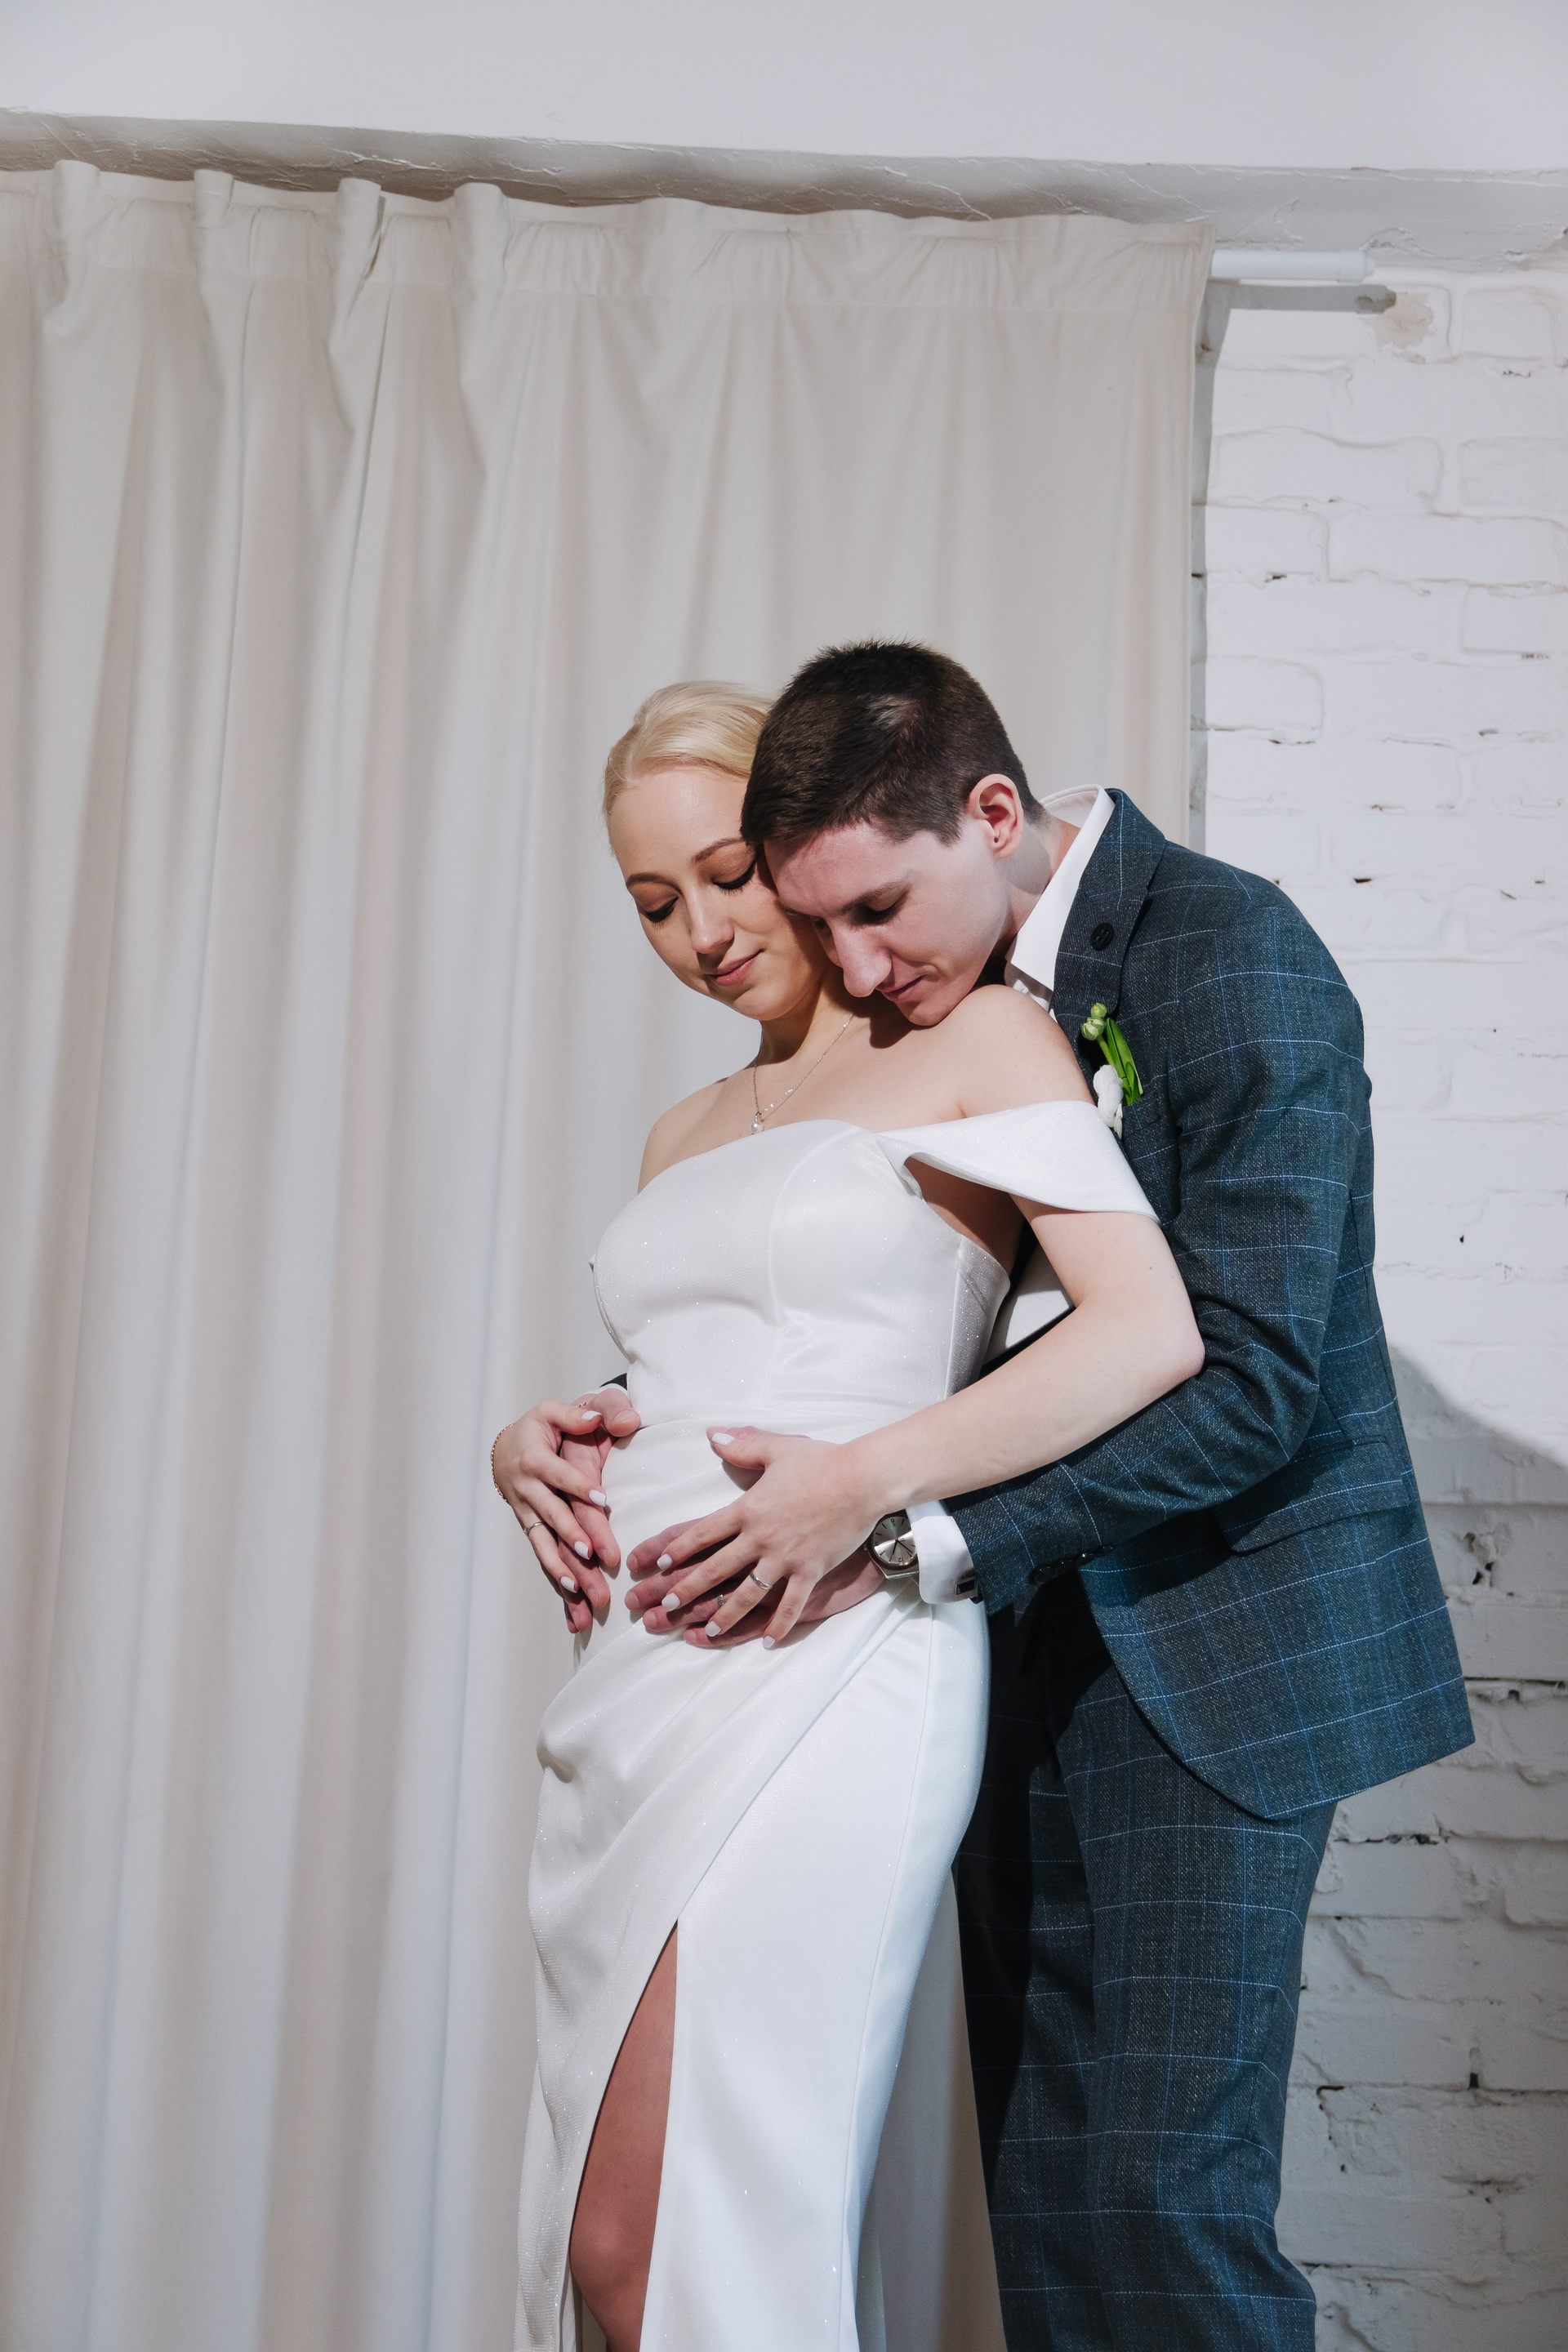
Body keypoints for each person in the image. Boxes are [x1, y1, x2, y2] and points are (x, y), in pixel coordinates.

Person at [501, 644, 1474, 2351]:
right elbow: (811, 1330)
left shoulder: (1203, 954)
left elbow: (1245, 1367)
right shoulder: (868, 1022)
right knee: (1048, 2219)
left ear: (986, 818)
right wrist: (569, 1431)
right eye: (659, 902)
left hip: (1199, 1645)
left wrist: (900, 1529)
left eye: (746, 883)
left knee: (1154, 2206)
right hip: (984, 1641)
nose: (812, 949)